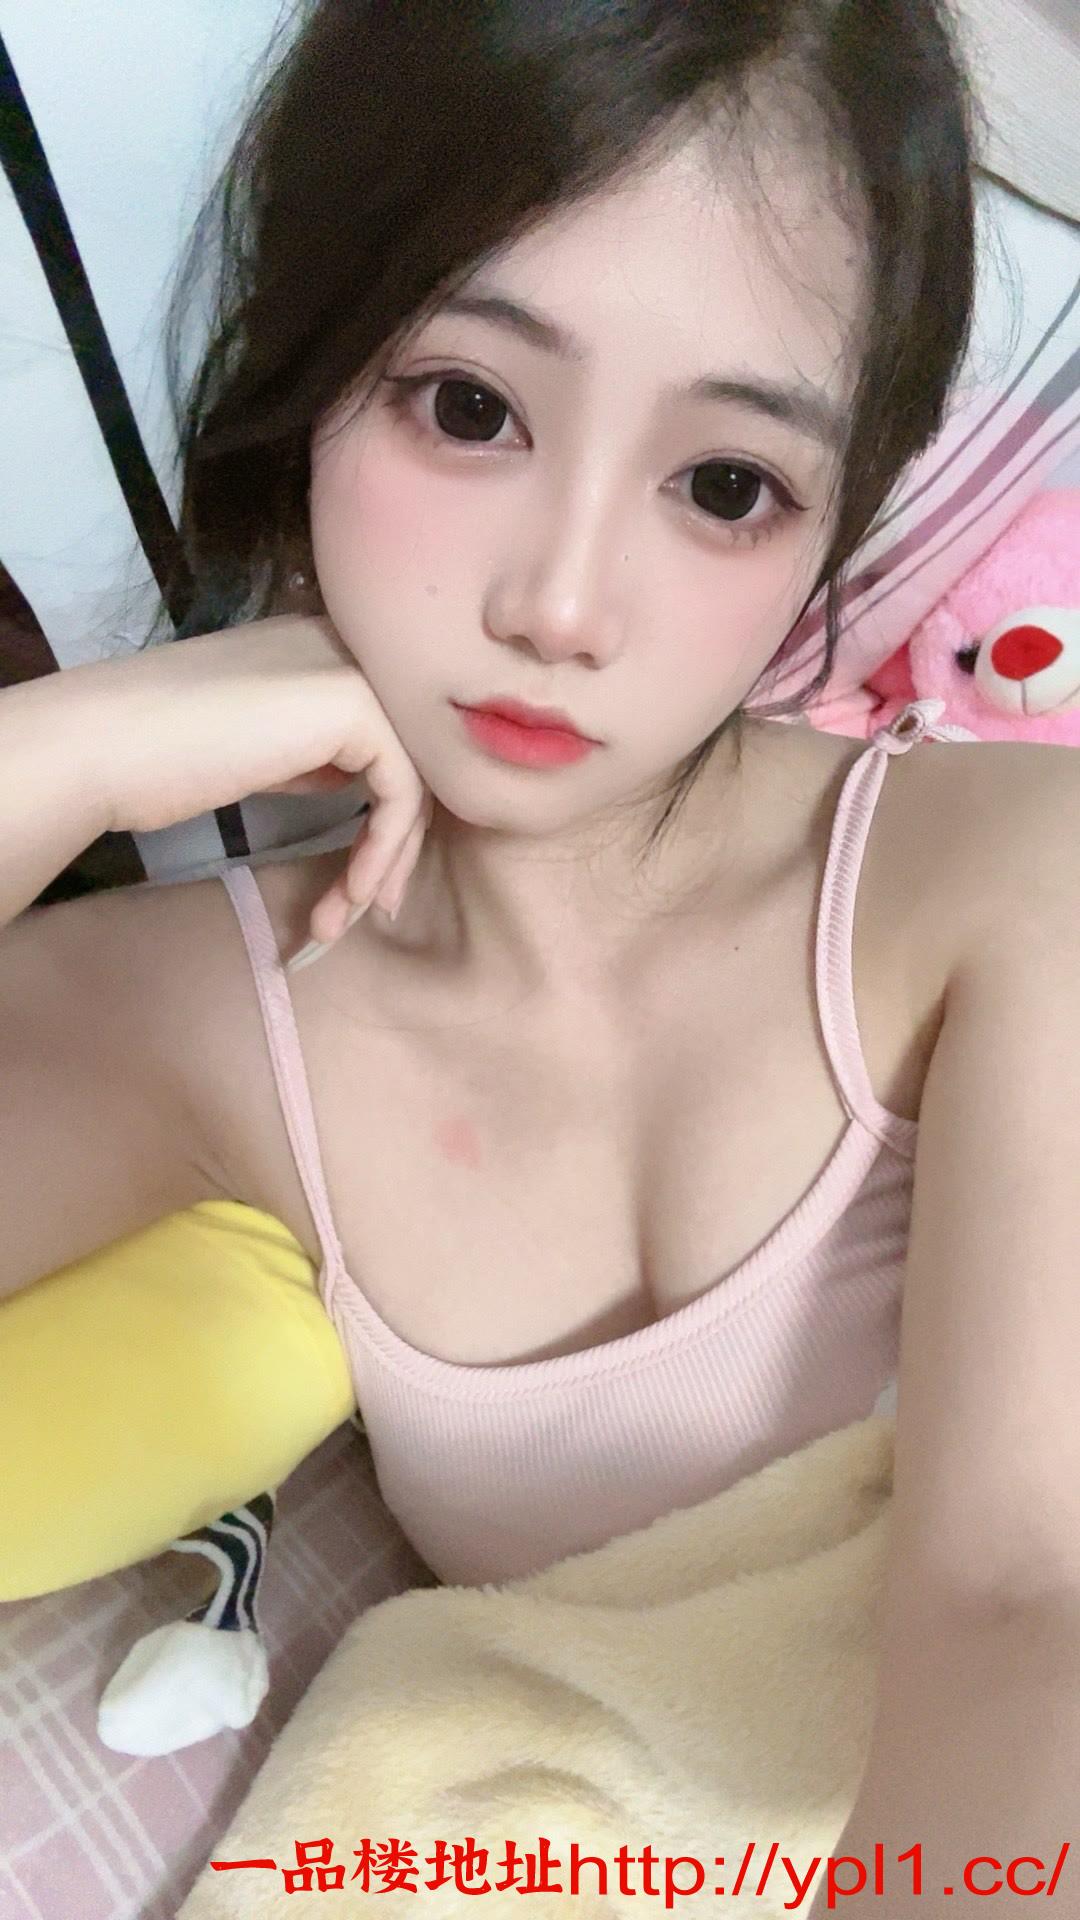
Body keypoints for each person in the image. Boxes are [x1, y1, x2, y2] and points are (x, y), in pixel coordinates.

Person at [2, 0, 1078, 1896]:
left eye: (726, 485)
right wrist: (64, 752)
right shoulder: (199, 1021)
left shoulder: (1004, 875)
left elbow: (1025, 1592)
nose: (564, 605)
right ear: (310, 368)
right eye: (468, 407)